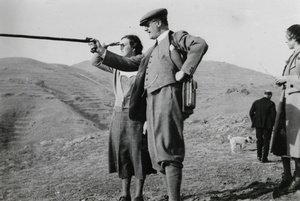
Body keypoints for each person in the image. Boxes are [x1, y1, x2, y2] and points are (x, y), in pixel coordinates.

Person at [88, 8, 208, 201]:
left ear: (158, 23)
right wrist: (102, 51)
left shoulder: (175, 37)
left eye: (147, 25)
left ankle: (173, 199)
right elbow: (126, 63)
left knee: (168, 148)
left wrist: (185, 71)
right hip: (151, 103)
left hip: (168, 97)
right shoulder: (150, 51)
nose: (145, 29)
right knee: (155, 152)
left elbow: (199, 44)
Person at [90, 35, 156, 201]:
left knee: (138, 154)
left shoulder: (143, 65)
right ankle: (124, 194)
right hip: (119, 115)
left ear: (134, 47)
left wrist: (147, 119)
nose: (120, 48)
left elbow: (149, 94)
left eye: (123, 45)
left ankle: (138, 195)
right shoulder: (117, 67)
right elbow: (95, 61)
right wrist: (100, 47)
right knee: (123, 154)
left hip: (138, 116)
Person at [274, 24, 300, 194]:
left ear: (295, 37)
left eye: (287, 37)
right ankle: (287, 176)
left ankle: (297, 178)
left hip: (297, 104)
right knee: (283, 141)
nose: (285, 40)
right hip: (287, 103)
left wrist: (286, 78)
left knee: (297, 143)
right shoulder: (292, 56)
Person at [249, 90, 276, 163]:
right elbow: (273, 115)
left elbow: (251, 113)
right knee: (266, 141)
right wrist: (272, 124)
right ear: (270, 95)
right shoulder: (271, 103)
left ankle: (259, 156)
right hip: (268, 126)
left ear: (264, 94)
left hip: (258, 125)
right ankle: (264, 158)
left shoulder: (256, 102)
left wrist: (255, 121)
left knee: (259, 140)